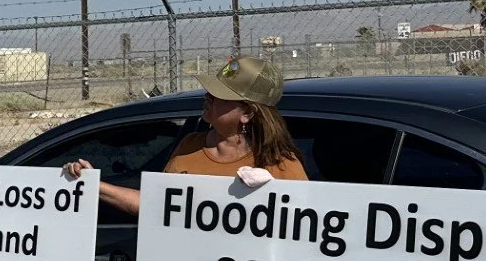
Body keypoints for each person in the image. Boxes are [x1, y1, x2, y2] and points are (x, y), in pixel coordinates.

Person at [64, 56, 307, 216]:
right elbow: (156, 205)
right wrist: (93, 184)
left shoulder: (280, 164)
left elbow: (305, 230)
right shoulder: (189, 145)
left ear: (247, 113)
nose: (207, 97)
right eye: (210, 91)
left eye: (219, 95)